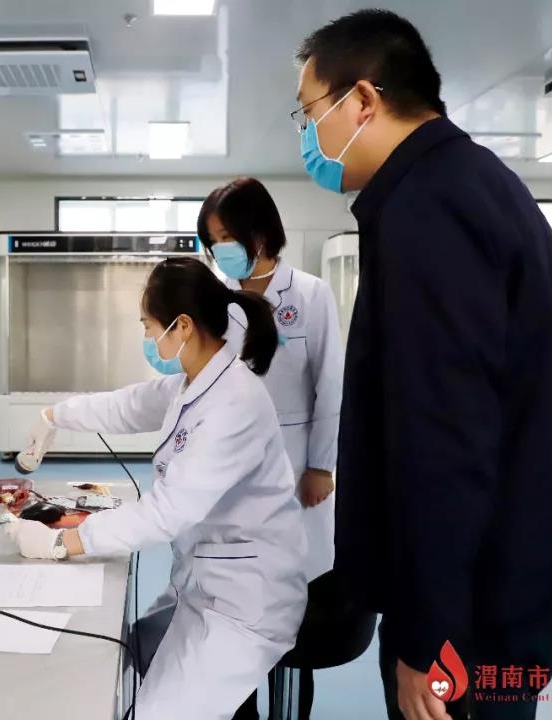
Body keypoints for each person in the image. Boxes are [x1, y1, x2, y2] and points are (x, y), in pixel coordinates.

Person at [293, 10, 552, 720]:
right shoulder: (464, 180)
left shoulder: (427, 211)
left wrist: (428, 639)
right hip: (511, 563)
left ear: (363, 100)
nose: (307, 134)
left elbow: (443, 439)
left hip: (485, 589)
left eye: (310, 111)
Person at [5, 256, 308, 720]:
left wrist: (62, 543)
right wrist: (54, 416)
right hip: (203, 584)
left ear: (181, 326)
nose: (147, 337)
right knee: (119, 660)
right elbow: (127, 406)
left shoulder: (234, 402)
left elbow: (167, 512)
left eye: (148, 326)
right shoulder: (195, 383)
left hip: (246, 604)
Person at [198, 177, 343, 718]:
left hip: (294, 467)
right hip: (228, 472)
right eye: (211, 242)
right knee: (229, 611)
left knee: (289, 608)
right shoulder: (216, 302)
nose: (219, 251)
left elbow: (331, 384)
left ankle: (289, 707)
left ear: (259, 234)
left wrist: (321, 466)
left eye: (225, 238)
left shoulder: (309, 294)